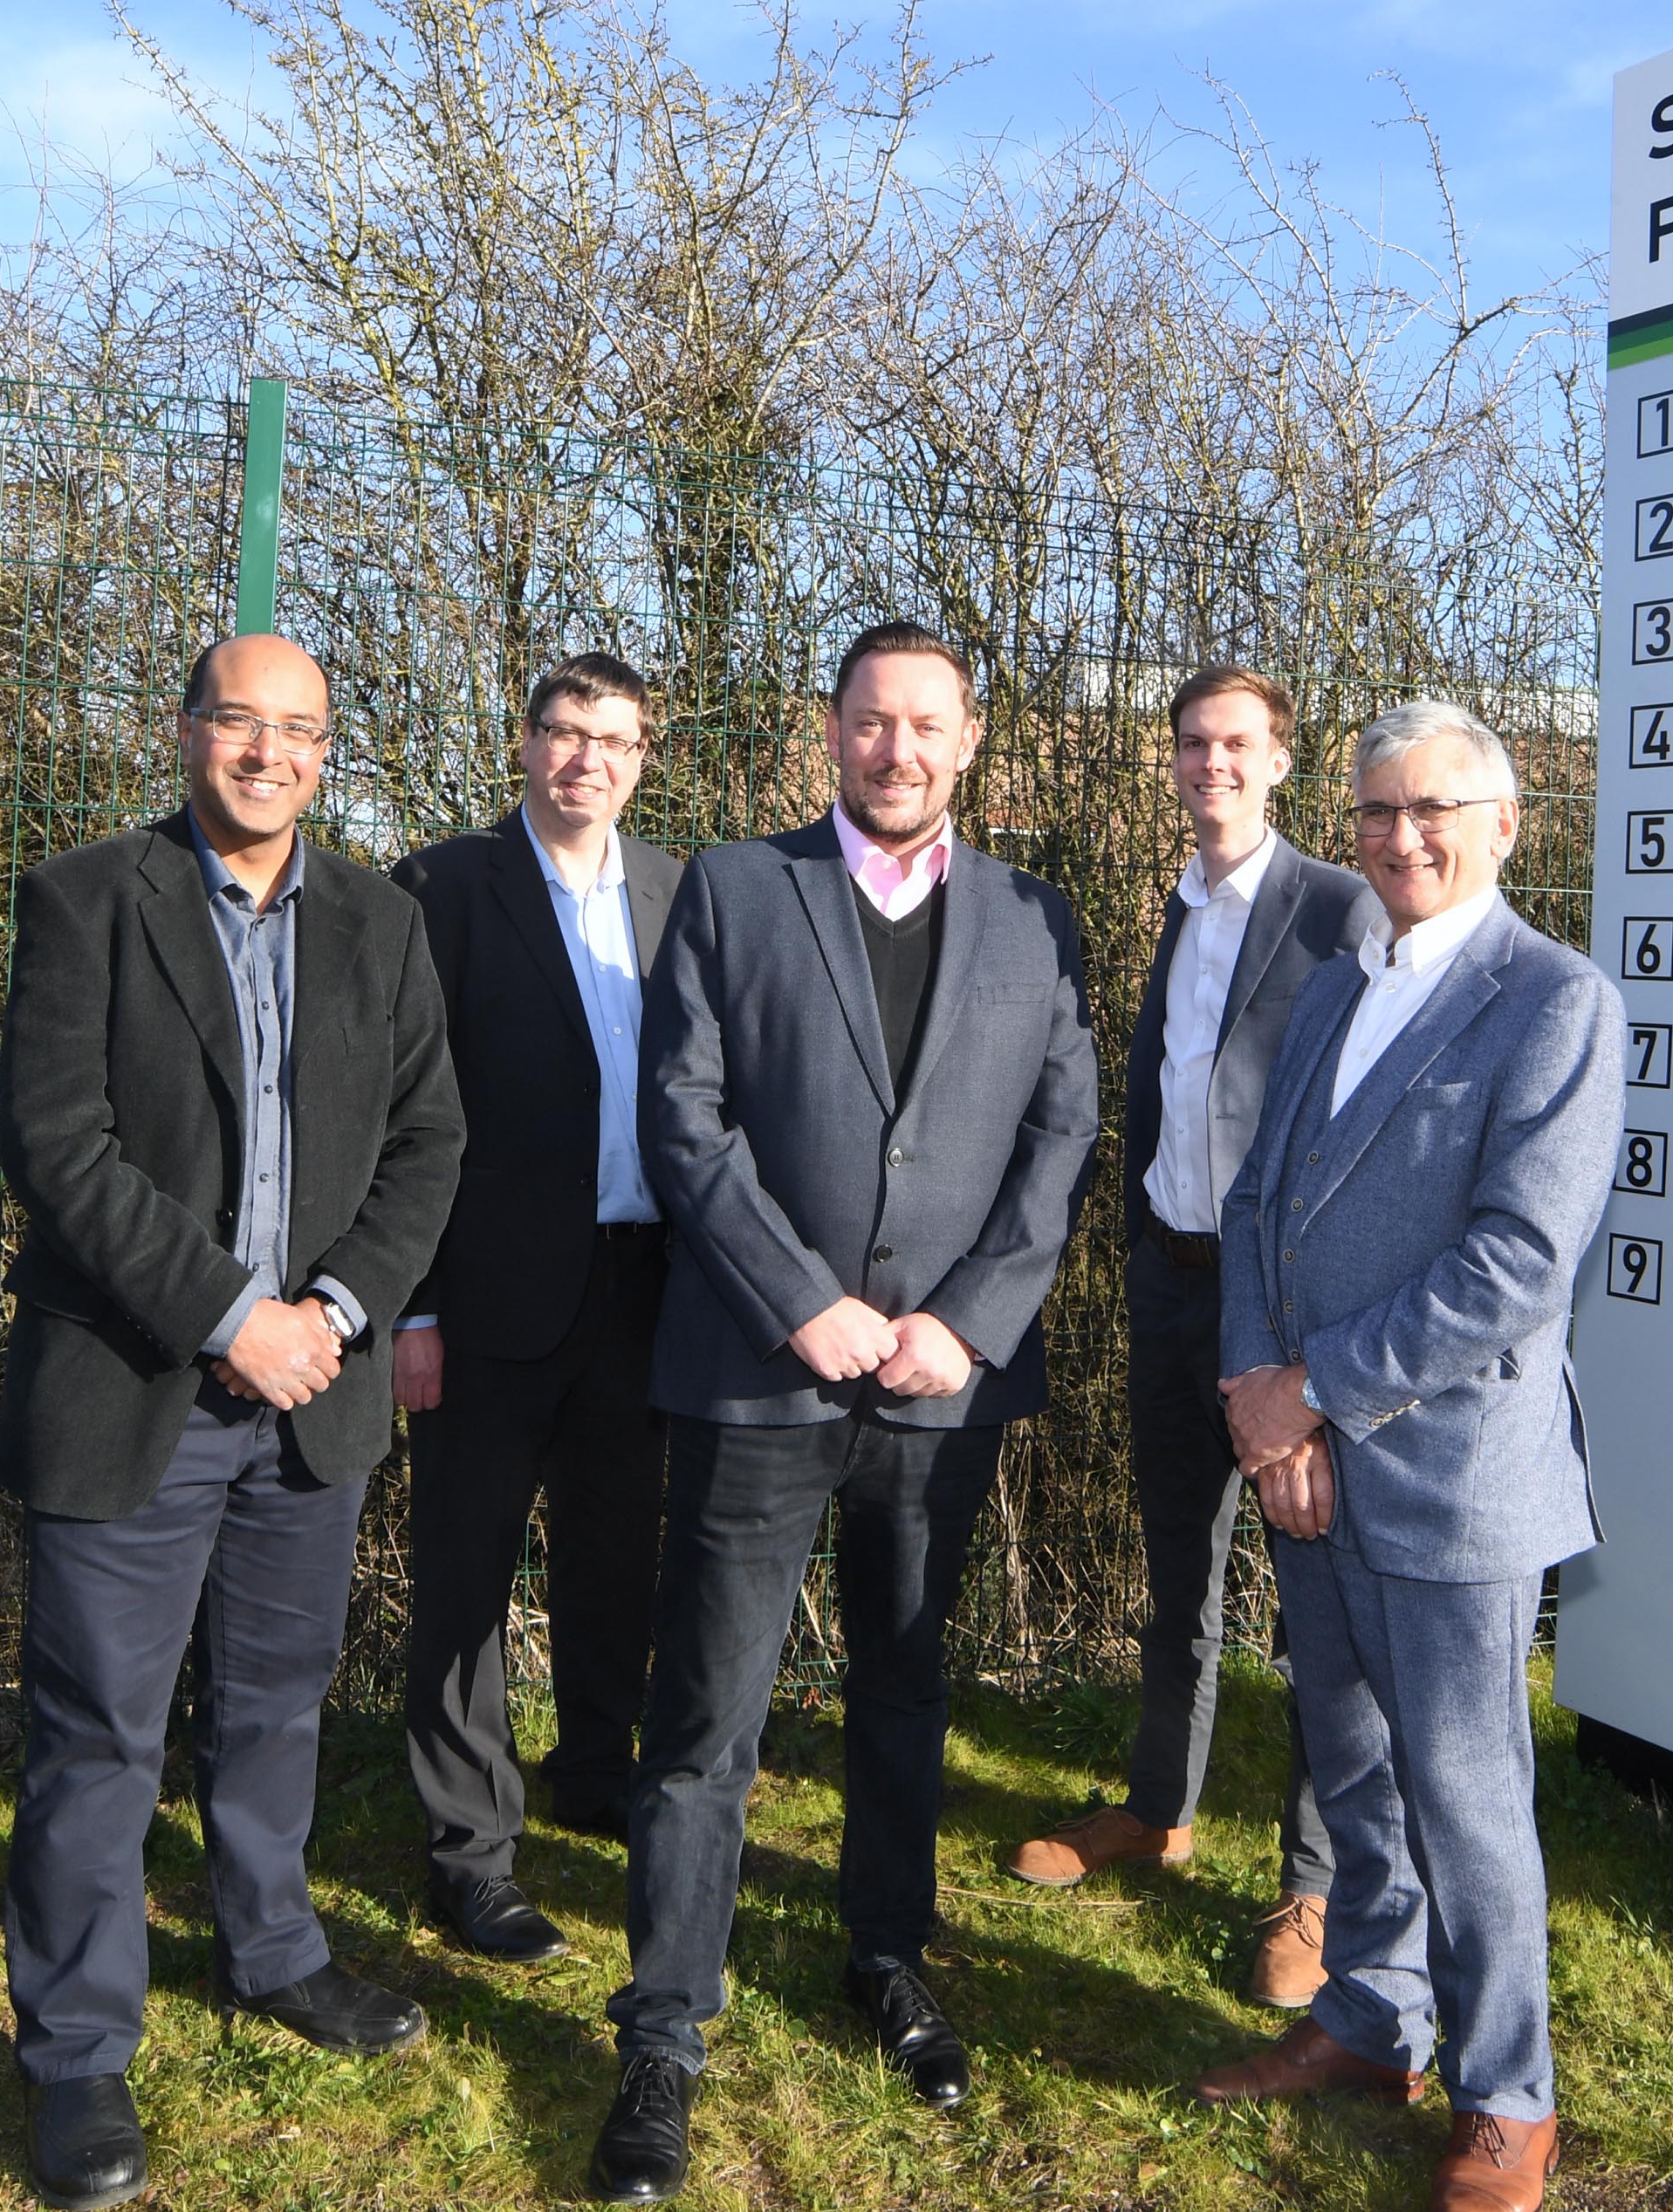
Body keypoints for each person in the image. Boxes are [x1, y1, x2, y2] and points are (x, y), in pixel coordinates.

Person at [589, 621, 1100, 2204]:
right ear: (828, 733)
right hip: (762, 1370)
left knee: (902, 1694)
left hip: (940, 1392)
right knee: (705, 1722)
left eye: (927, 726)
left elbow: (1059, 1136)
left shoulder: (1036, 918)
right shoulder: (736, 894)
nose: (898, 751)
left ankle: (886, 1956)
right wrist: (801, 1301)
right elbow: (682, 1114)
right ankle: (663, 2030)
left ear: (969, 740)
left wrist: (970, 1322)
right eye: (872, 724)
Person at [0, 633, 466, 2212]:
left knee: (275, 1699)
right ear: (188, 732)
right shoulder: (84, 901)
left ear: (329, 753)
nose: (269, 754)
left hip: (309, 1404)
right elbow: (59, 1148)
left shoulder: (385, 926)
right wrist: (227, 1316)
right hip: (137, 1388)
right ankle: (74, 2052)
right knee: (100, 1737)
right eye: (240, 723)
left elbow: (427, 1146)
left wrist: (326, 1318)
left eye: (300, 731)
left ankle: (273, 1952)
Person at [1183, 700, 1628, 2212]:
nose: (1400, 837)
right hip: (1306, 1463)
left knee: (1464, 1791)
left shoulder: (1550, 1001)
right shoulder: (1330, 983)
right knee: (1353, 1768)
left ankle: (1510, 2094)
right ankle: (1375, 2019)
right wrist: (1259, 1395)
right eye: (1375, 814)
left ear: (1504, 826)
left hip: (1448, 1474)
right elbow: (1253, 1210)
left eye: (1432, 810)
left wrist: (1311, 1391)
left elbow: (1517, 1262)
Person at [1005, 665, 1379, 2013]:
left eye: (1235, 744)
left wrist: (1307, 1333)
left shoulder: (1338, 908)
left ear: (1280, 762)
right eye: (1188, 744)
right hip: (1168, 1286)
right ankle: (1159, 1810)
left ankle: (1318, 1881)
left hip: (1278, 1314)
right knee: (1180, 1578)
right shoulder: (1175, 906)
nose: (1208, 763)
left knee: (1316, 1608)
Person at [386, 652, 681, 1962]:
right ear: (523, 742)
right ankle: (467, 1850)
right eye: (565, 732)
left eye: (613, 740)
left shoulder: (684, 892)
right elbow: (407, 1112)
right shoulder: (440, 888)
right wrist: (412, 1310)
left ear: (641, 756)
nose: (587, 760)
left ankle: (599, 1775)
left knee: (621, 1554)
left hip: (646, 1285)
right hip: (488, 1294)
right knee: (466, 1572)